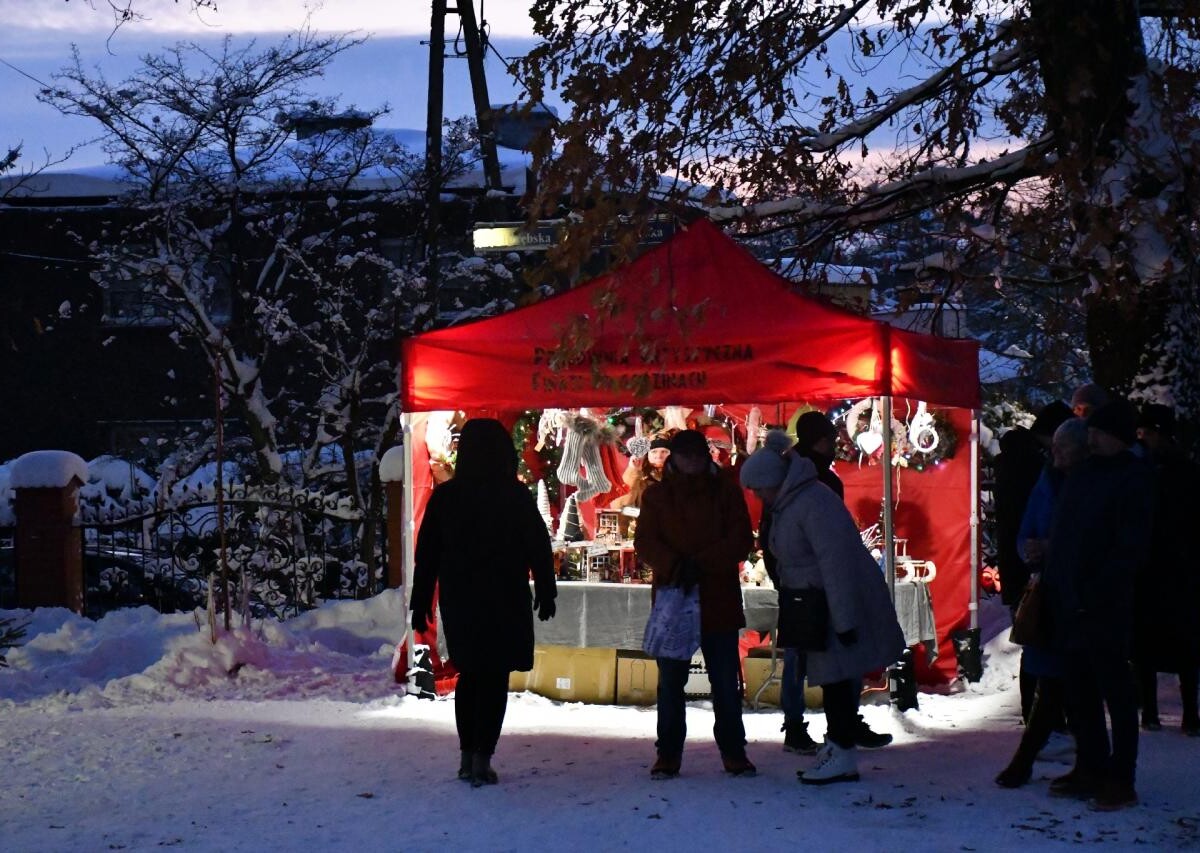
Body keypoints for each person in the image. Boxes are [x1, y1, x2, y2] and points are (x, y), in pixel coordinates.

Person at [740, 430, 906, 785]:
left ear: (774, 481)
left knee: (838, 681)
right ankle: (838, 747)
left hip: (832, 604)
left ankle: (842, 753)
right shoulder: (794, 502)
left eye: (759, 489)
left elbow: (837, 564)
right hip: (818, 603)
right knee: (834, 680)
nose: (758, 496)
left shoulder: (812, 503)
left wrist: (845, 620)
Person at [410, 418, 558, 788]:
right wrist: (546, 589)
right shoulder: (515, 497)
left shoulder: (447, 498)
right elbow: (538, 547)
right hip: (505, 597)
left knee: (470, 676)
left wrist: (421, 600)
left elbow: (427, 554)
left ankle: (466, 757)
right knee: (493, 679)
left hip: (462, 599)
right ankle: (481, 758)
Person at [1041, 399, 1153, 811]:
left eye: (1099, 431)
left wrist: (1100, 588)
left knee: (1115, 692)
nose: (1092, 436)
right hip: (1071, 599)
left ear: (1117, 437)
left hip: (1105, 603)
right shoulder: (1084, 474)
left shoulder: (1132, 478)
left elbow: (1130, 545)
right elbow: (1069, 531)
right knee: (1078, 690)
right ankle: (1090, 765)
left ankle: (1120, 778)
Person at [634, 429, 756, 779]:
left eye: (697, 455)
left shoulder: (726, 493)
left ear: (705, 457)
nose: (692, 462)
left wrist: (698, 564)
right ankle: (668, 753)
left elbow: (739, 539)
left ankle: (734, 751)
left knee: (724, 682)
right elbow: (645, 540)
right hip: (675, 596)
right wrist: (674, 566)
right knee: (671, 682)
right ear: (673, 458)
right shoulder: (657, 496)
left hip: (716, 596)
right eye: (685, 455)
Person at [995, 417, 1089, 788]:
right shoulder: (1047, 480)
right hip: (1049, 591)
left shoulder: (1087, 484)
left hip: (1076, 596)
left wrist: (1049, 548)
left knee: (1066, 682)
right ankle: (1032, 759)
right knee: (1052, 680)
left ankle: (1029, 760)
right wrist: (1029, 550)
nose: (1057, 454)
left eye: (1063, 449)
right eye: (1055, 448)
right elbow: (1027, 527)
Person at [994, 400, 1072, 720]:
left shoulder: (1017, 460)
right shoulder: (1032, 466)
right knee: (1038, 641)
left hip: (1020, 564)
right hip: (1029, 566)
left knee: (1035, 641)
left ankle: (1038, 716)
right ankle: (1038, 716)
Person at [1133, 403, 1200, 736]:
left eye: (1146, 432)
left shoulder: (1148, 471)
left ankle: (1154, 712)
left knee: (1153, 639)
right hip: (1176, 566)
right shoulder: (1182, 469)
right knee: (1180, 641)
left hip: (1159, 565)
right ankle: (1187, 714)